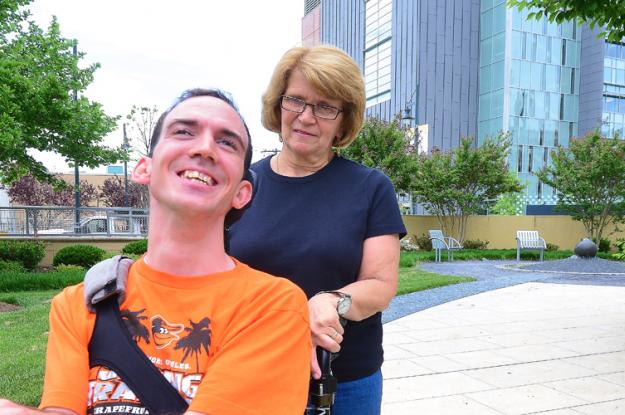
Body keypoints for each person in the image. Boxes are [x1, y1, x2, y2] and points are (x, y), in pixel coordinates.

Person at [82, 45, 406, 415]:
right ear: (278, 104)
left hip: (341, 380)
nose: (305, 117)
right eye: (296, 100)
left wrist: (331, 300)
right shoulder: (237, 186)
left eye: (324, 107)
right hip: (247, 374)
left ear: (344, 119)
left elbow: (380, 285)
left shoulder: (369, 187)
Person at [0, 89, 311, 415]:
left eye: (226, 142)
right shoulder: (80, 304)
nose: (204, 148)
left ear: (242, 193)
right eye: (184, 132)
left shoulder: (274, 307)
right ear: (143, 169)